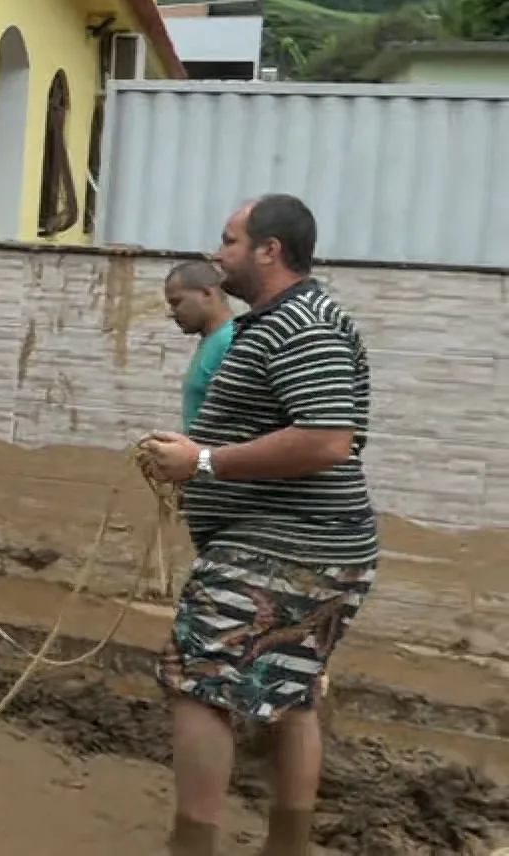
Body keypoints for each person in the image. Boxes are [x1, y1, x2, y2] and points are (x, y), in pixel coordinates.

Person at [139, 195, 377, 856]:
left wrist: (202, 461)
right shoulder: (281, 321)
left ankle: (192, 847)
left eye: (230, 240)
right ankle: (287, 847)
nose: (218, 255)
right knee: (292, 691)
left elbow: (328, 440)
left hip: (284, 546)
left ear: (269, 250)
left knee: (199, 683)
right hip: (307, 543)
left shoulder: (302, 322)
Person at [163, 260, 237, 429]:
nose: (172, 313)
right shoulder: (212, 340)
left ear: (206, 293)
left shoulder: (231, 341)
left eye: (176, 302)